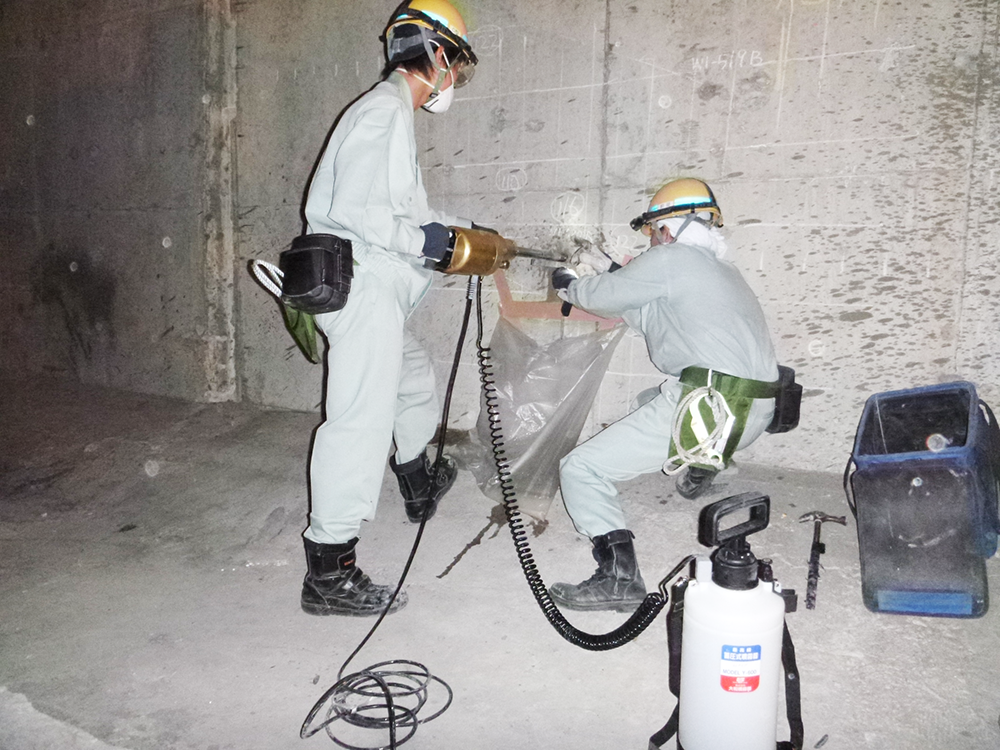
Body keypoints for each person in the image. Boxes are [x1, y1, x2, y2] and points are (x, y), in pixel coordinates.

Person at [298, 0, 480, 617]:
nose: (453, 77)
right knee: (359, 422)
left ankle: (417, 480)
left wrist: (464, 234)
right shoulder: (382, 110)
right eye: (455, 62)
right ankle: (330, 571)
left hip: (374, 288)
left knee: (413, 379)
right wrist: (429, 243)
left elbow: (403, 213)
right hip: (364, 285)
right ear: (437, 52)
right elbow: (359, 211)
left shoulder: (392, 113)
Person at [547, 178, 780, 612]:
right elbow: (649, 314)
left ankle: (619, 577)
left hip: (710, 410)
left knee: (580, 468)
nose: (651, 243)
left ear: (668, 230)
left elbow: (605, 297)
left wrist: (569, 284)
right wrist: (613, 272)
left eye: (652, 233)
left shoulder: (671, 258)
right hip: (755, 413)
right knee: (648, 401)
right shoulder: (722, 272)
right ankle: (709, 462)